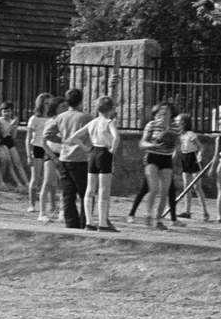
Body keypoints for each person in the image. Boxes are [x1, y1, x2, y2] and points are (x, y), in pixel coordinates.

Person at [66, 95, 121, 232]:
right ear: (111, 109)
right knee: (103, 189)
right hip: (104, 153)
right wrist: (113, 150)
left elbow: (75, 137)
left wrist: (87, 149)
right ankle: (102, 223)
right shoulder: (109, 122)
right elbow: (116, 137)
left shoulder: (93, 122)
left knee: (90, 189)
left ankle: (89, 222)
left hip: (93, 153)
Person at [43, 88, 91, 229]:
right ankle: (85, 221)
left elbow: (47, 134)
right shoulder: (86, 118)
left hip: (64, 159)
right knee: (85, 193)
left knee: (68, 193)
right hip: (81, 159)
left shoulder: (61, 117)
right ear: (81, 101)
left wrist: (63, 140)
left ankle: (71, 223)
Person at [131, 102, 178, 230]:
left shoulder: (175, 127)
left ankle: (158, 220)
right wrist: (153, 146)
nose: (164, 112)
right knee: (154, 188)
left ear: (171, 113)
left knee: (164, 191)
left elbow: (176, 144)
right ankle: (148, 214)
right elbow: (142, 143)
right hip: (152, 157)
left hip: (166, 158)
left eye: (167, 110)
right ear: (157, 112)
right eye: (161, 110)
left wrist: (173, 150)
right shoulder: (152, 125)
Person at [173, 114, 210, 222]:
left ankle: (205, 212)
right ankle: (187, 211)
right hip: (185, 158)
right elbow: (178, 149)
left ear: (183, 122)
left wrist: (199, 155)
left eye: (178, 121)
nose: (176, 123)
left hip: (192, 158)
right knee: (186, 187)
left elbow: (201, 146)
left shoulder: (190, 134)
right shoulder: (180, 135)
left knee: (197, 187)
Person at [26, 93, 57, 217]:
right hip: (38, 147)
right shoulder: (34, 118)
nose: (48, 106)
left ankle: (52, 204)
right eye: (46, 103)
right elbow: (28, 137)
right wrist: (28, 154)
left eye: (50, 103)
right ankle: (32, 203)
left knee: (51, 178)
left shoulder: (53, 118)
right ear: (40, 104)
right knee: (36, 177)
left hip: (49, 148)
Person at [0, 101, 27, 186]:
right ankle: (17, 182)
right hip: (2, 141)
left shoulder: (12, 121)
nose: (6, 113)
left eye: (8, 111)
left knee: (18, 162)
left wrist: (15, 127)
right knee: (9, 162)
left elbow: (13, 136)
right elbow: (3, 134)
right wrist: (12, 124)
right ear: (1, 112)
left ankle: (26, 183)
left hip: (10, 141)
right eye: (4, 111)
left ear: (12, 111)